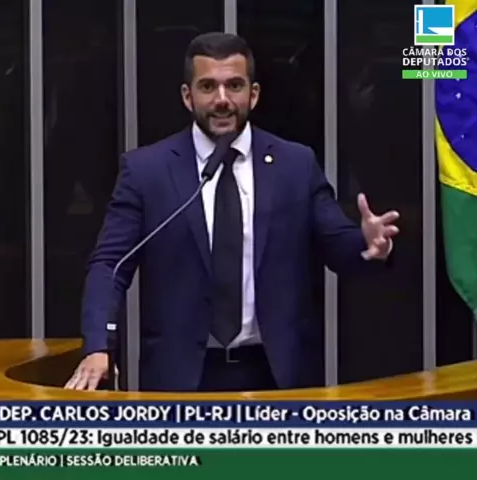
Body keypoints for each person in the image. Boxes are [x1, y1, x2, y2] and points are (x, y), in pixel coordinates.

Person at [65, 32, 399, 392]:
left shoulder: (295, 164)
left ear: (253, 94)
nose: (222, 100)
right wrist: (98, 346)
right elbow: (110, 264)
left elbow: (337, 244)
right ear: (187, 96)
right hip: (178, 380)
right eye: (208, 86)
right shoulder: (147, 171)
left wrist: (368, 244)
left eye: (234, 86)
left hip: (275, 376)